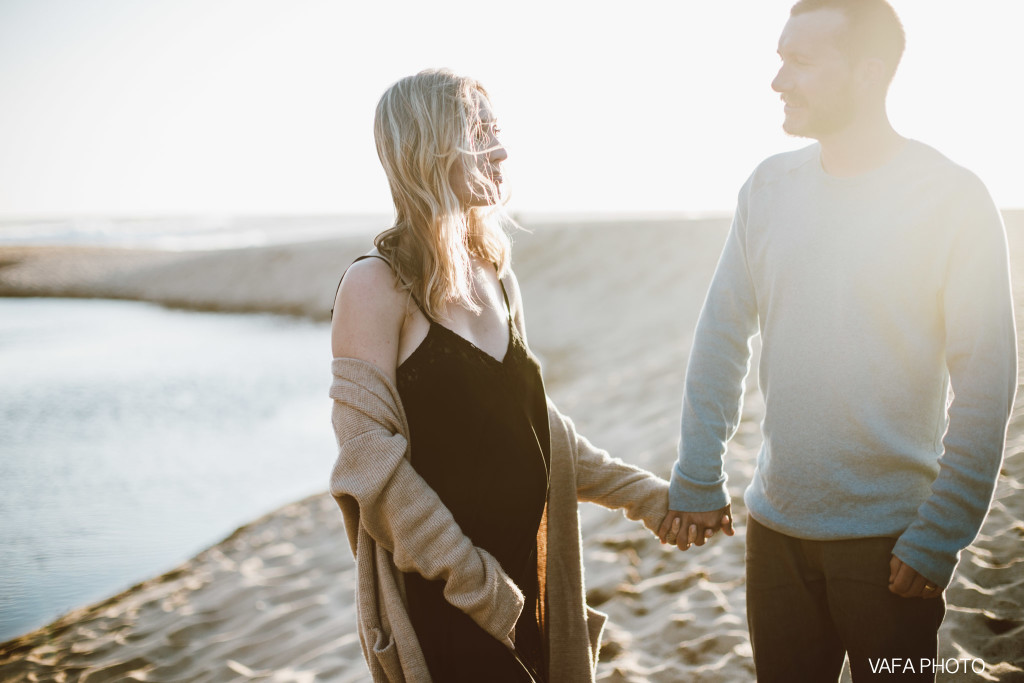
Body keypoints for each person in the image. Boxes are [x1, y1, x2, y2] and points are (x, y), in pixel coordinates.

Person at [657, 1, 1016, 680]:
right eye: (779, 58)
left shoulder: (952, 200)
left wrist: (941, 532)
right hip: (776, 538)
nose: (777, 80)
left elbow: (986, 384)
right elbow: (723, 332)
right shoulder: (767, 189)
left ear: (867, 73)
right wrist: (699, 469)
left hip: (892, 551)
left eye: (800, 61)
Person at [329, 69, 670, 683]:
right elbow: (369, 466)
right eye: (480, 132)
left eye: (497, 129)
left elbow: (541, 433)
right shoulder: (376, 285)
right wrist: (475, 583)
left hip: (528, 582)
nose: (502, 149)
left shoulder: (496, 272)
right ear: (429, 149)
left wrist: (649, 498)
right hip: (448, 601)